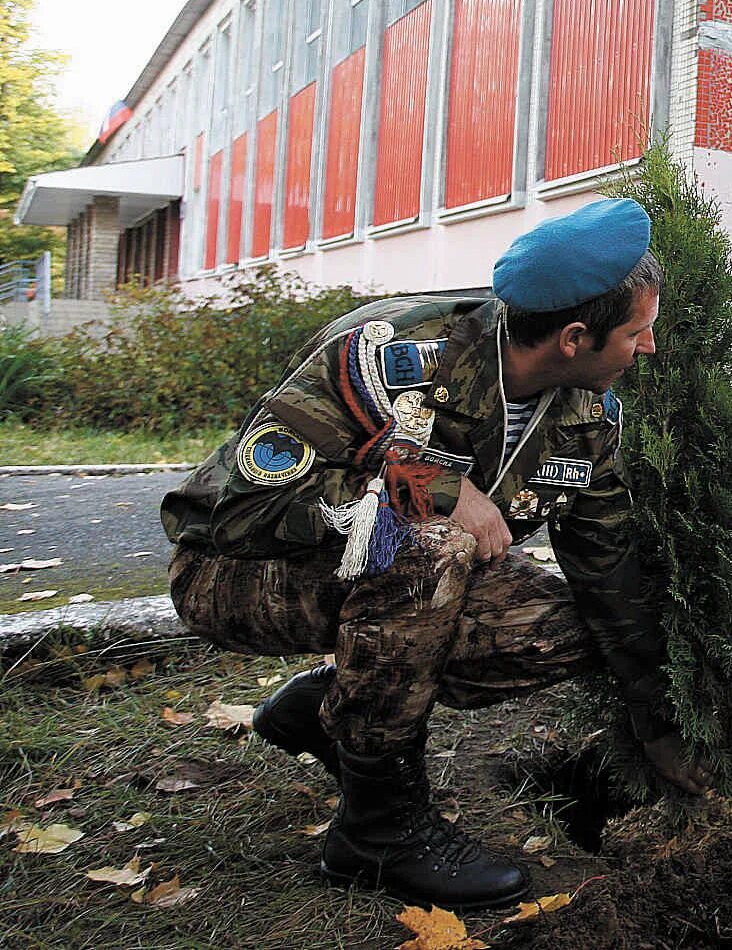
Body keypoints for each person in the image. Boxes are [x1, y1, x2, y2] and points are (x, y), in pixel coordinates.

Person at [159, 199, 700, 910]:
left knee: (567, 626)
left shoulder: (586, 415)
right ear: (574, 336)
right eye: (640, 331)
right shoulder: (389, 354)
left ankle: (325, 703)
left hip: (397, 581)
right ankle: (376, 831)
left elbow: (609, 571)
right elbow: (239, 511)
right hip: (235, 572)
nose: (650, 346)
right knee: (430, 547)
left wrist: (658, 721)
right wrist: (430, 488)